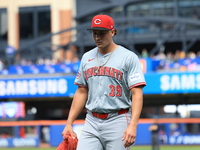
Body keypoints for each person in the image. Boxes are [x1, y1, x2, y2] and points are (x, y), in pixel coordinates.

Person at [61, 14, 146, 150]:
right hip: (91, 120)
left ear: (112, 32)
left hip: (117, 118)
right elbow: (82, 91)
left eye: (102, 33)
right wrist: (69, 123)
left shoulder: (128, 57)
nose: (97, 37)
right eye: (95, 33)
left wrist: (133, 125)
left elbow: (137, 93)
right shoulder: (86, 57)